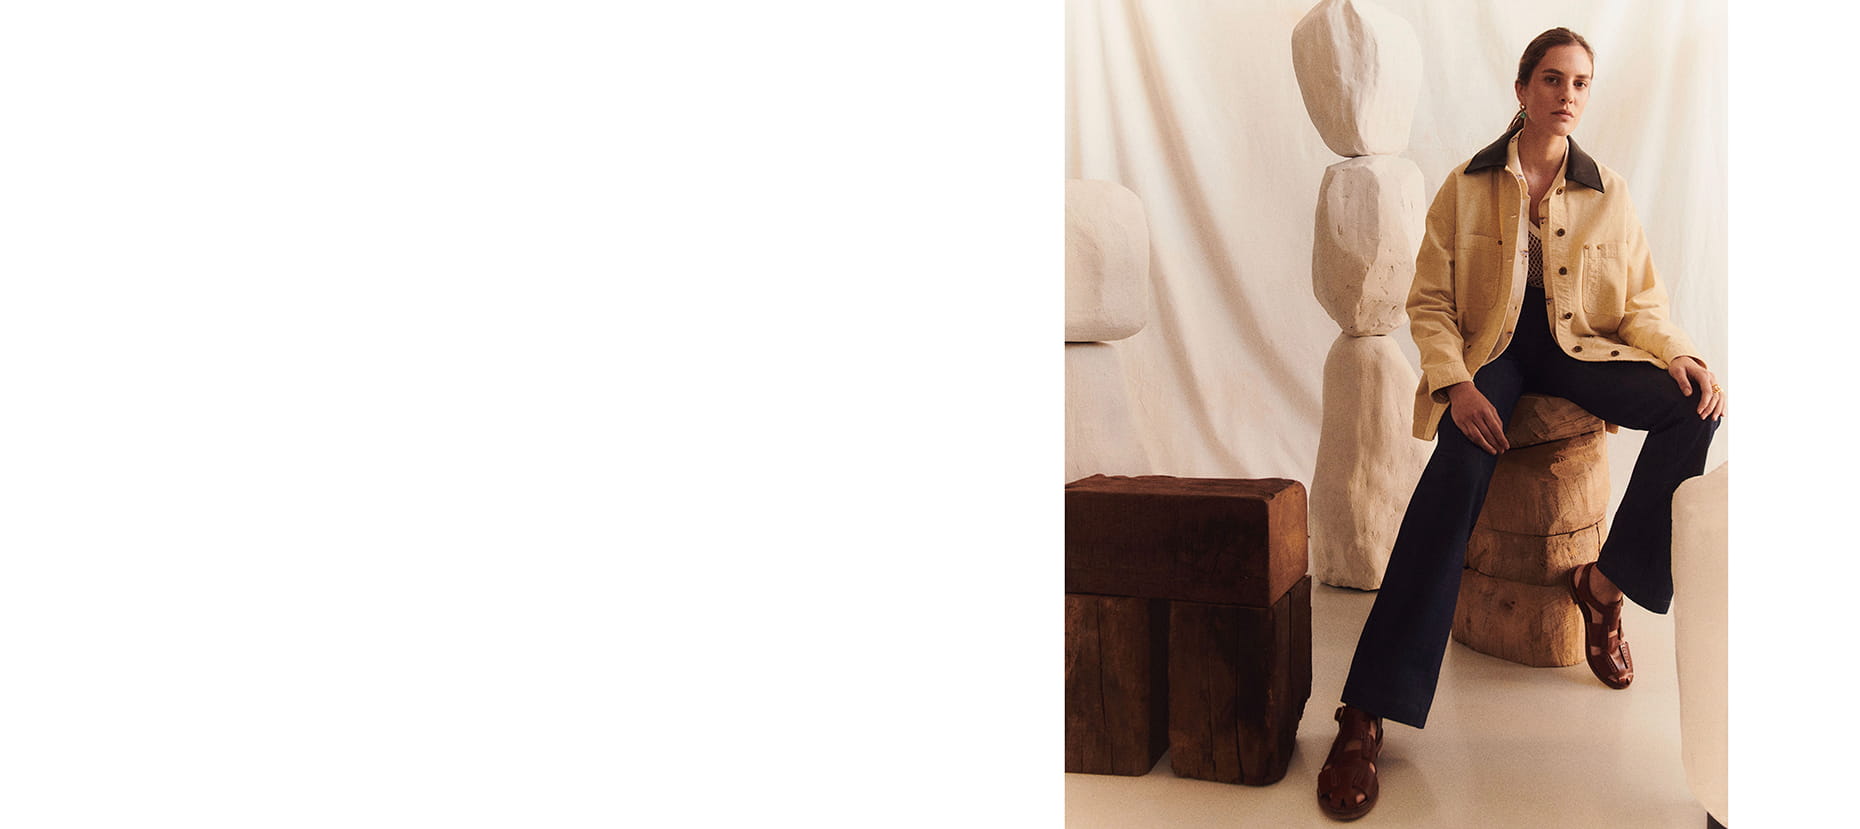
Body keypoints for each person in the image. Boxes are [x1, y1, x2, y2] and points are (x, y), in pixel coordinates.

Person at [1313, 27, 1725, 821]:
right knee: (1457, 470)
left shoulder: (1608, 191)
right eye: (1552, 79)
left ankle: (1604, 587)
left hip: (1579, 348)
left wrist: (1677, 352)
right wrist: (1457, 383)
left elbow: (1642, 303)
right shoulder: (1467, 184)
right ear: (1522, 89)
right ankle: (1365, 709)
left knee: (1694, 408)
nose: (1567, 95)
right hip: (1493, 353)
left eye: (1580, 83)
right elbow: (1430, 301)